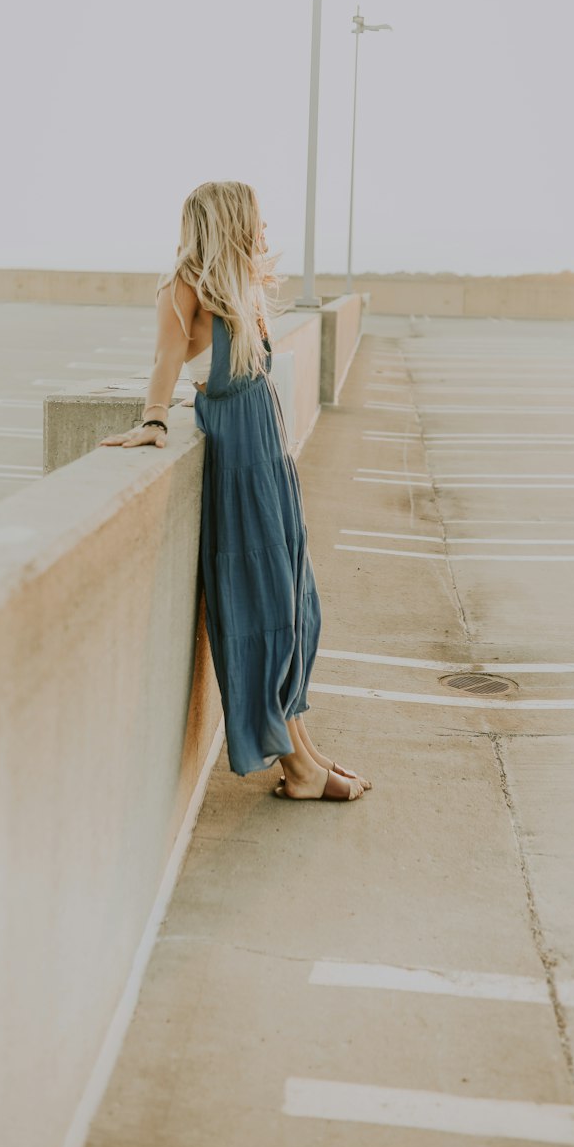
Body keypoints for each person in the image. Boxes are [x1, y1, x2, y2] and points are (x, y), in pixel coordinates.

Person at [99, 180, 370, 802]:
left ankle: (306, 753)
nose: (263, 227)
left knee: (291, 603)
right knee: (265, 609)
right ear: (227, 221)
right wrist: (154, 420)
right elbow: (167, 361)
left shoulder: (238, 288)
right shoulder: (183, 288)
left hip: (267, 458)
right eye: (253, 217)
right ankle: (298, 768)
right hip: (239, 465)